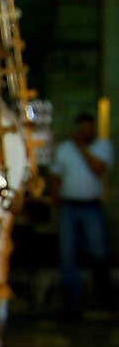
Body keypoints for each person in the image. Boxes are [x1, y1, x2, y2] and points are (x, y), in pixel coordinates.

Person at [49, 112, 114, 321]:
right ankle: (72, 306)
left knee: (98, 252)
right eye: (82, 128)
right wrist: (56, 201)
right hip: (69, 207)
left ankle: (105, 300)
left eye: (89, 128)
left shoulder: (103, 146)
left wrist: (81, 148)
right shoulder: (64, 149)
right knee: (67, 255)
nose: (86, 131)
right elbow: (55, 177)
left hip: (91, 207)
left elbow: (98, 169)